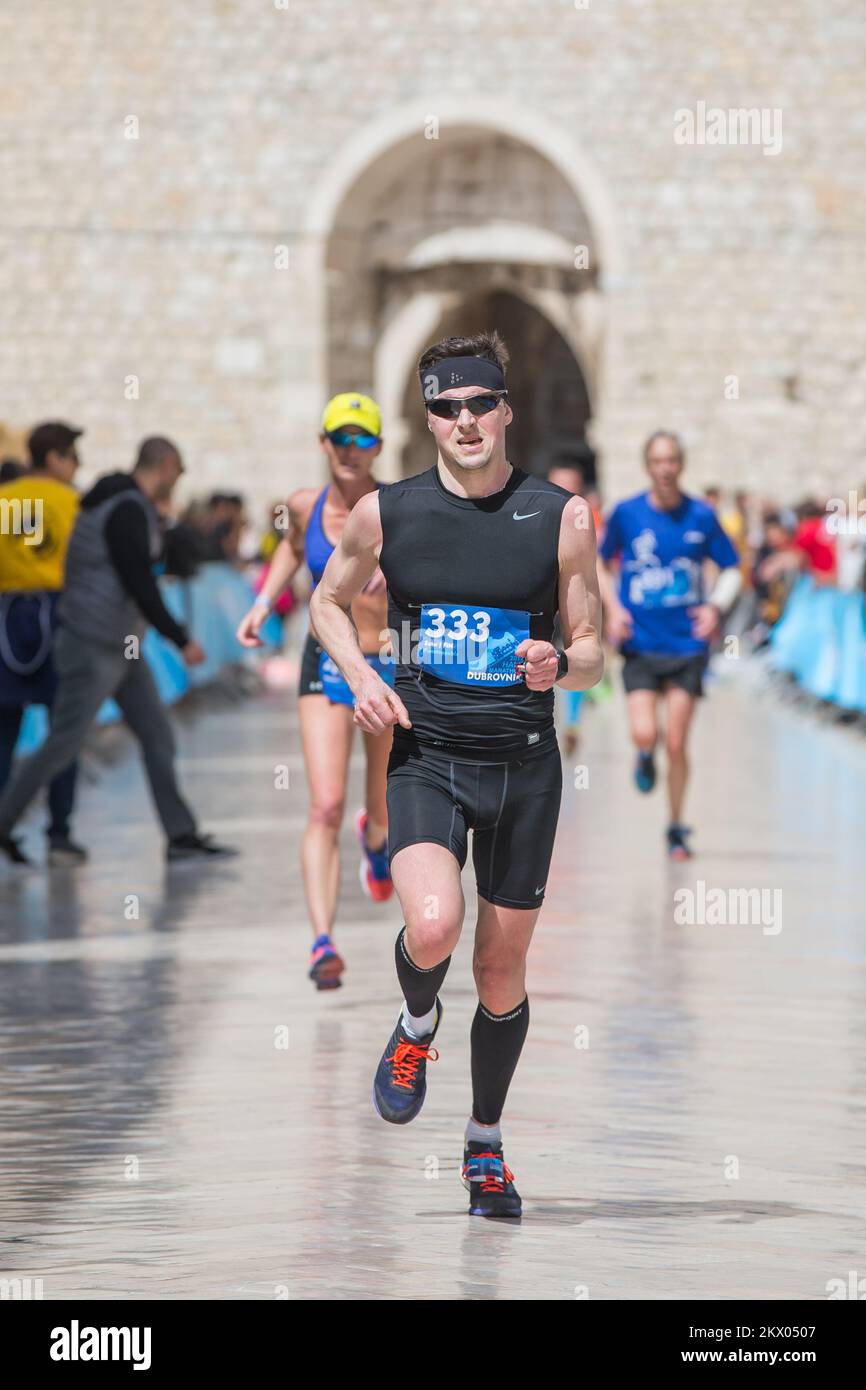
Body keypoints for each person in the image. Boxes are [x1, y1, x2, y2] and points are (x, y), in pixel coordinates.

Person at [309, 333, 603, 1218]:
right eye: (446, 407)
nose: (465, 421)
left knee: (503, 968)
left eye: (480, 403)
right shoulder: (387, 514)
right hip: (427, 758)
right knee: (433, 927)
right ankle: (416, 1023)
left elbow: (593, 650)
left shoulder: (561, 515)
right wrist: (362, 677)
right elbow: (326, 601)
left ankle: (485, 1146)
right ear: (426, 417)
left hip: (524, 768)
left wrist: (565, 661)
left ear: (507, 409)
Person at [0, 436, 236, 865]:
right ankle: (4, 823)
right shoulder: (126, 508)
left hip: (120, 646)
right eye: (179, 471)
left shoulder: (119, 503)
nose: (179, 481)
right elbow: (138, 580)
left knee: (156, 734)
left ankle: (180, 836)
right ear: (165, 465)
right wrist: (180, 639)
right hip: (94, 644)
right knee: (62, 743)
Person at [236, 393, 396, 991]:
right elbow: (290, 547)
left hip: (385, 664)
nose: (352, 451)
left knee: (379, 805)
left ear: (379, 446)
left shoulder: (398, 507)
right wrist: (261, 603)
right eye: (341, 439)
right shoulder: (304, 506)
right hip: (326, 661)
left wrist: (398, 571)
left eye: (364, 440)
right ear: (324, 444)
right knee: (325, 803)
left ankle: (376, 841)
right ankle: (322, 940)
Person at [598, 431, 741, 860]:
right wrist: (614, 610)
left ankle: (676, 825)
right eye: (658, 461)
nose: (666, 468)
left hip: (685, 645)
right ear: (647, 466)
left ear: (681, 465)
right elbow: (600, 563)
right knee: (646, 732)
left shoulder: (701, 514)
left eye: (673, 460)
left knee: (677, 742)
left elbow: (732, 567)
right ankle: (644, 754)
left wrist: (715, 607)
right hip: (640, 642)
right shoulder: (626, 513)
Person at [0, 422, 84, 864]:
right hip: (58, 618)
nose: (77, 466)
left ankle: (4, 823)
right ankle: (59, 834)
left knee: (4, 733)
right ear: (54, 457)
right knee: (64, 732)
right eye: (73, 456)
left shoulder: (6, 500)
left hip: (7, 620)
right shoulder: (69, 502)